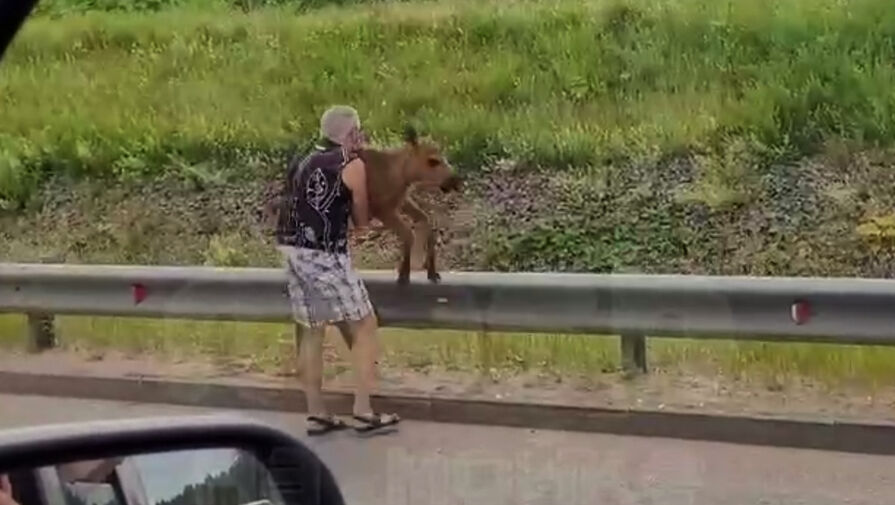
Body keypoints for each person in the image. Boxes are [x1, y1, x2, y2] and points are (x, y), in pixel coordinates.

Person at [275, 105, 400, 435]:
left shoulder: (301, 160)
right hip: (325, 253)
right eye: (358, 131)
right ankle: (363, 410)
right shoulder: (351, 164)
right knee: (365, 324)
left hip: (291, 249)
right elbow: (361, 221)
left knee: (311, 329)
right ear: (350, 134)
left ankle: (317, 412)